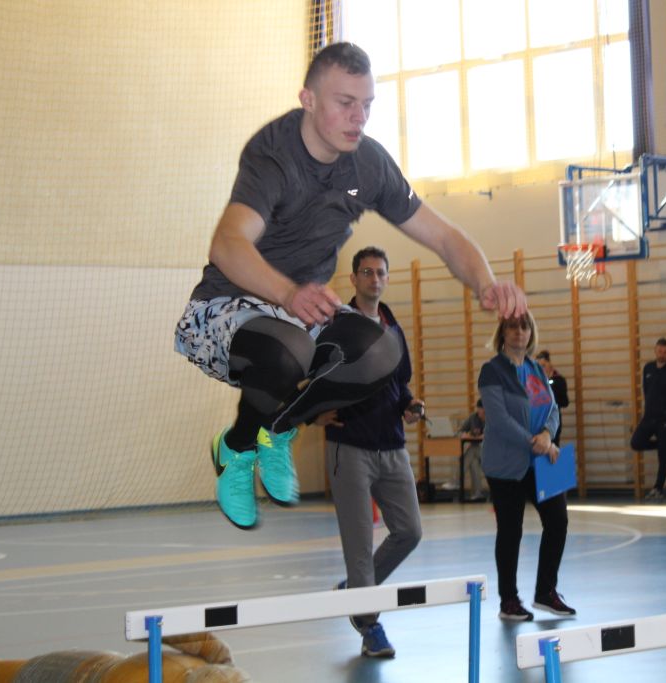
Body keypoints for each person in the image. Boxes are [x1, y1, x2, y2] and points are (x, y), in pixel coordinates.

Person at [173, 42, 527, 532]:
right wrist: (289, 294)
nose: (358, 118)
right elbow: (227, 245)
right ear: (308, 99)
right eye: (345, 103)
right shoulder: (273, 155)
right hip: (227, 306)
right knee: (292, 347)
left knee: (381, 351)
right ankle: (236, 447)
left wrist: (484, 282)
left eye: (367, 105)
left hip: (298, 310)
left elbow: (444, 236)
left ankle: (276, 430)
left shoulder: (368, 165)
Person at [317, 246, 422, 658]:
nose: (374, 279)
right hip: (349, 448)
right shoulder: (337, 327)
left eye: (380, 272)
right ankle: (369, 627)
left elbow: (400, 383)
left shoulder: (393, 328)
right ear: (354, 279)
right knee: (359, 546)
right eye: (366, 272)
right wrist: (314, 415)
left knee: (409, 531)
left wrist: (410, 404)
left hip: (392, 445)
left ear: (387, 279)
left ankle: (356, 591)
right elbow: (309, 377)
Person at [479, 312, 575, 622]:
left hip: (542, 461)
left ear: (531, 332)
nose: (519, 332)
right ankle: (508, 600)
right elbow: (498, 418)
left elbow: (553, 409)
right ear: (502, 332)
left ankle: (546, 592)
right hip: (506, 464)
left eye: (524, 326)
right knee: (510, 530)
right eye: (512, 327)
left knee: (558, 521)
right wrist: (533, 442)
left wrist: (547, 435)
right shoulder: (492, 371)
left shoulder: (536, 369)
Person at [630, 338, 666, 502]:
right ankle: (662, 446)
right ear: (655, 351)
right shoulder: (648, 368)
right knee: (636, 443)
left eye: (665, 352)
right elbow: (646, 391)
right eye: (660, 351)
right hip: (649, 417)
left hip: (665, 419)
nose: (662, 354)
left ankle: (658, 488)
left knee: (663, 455)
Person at [535, 350, 569, 446]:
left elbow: (565, 402)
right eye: (538, 366)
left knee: (552, 448)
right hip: (538, 422)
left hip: (553, 421)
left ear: (550, 364)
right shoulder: (534, 382)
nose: (541, 369)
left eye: (543, 365)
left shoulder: (559, 380)